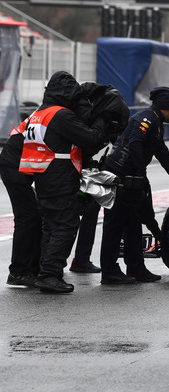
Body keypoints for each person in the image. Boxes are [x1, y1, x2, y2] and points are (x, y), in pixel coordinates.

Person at [19, 71, 112, 293]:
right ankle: (50, 274)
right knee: (66, 225)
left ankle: (46, 272)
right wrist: (102, 120)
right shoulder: (60, 115)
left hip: (43, 176)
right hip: (59, 176)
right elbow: (91, 138)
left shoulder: (39, 113)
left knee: (50, 225)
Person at [98, 86, 169, 284]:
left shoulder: (157, 125)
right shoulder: (146, 119)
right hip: (118, 175)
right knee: (113, 224)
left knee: (133, 223)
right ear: (165, 107)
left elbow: (165, 157)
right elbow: (135, 143)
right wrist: (141, 175)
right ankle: (109, 272)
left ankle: (136, 268)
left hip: (131, 178)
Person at [1, 125, 42, 287]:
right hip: (15, 165)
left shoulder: (47, 113)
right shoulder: (59, 116)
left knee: (34, 217)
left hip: (18, 163)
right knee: (28, 218)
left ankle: (31, 268)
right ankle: (19, 271)